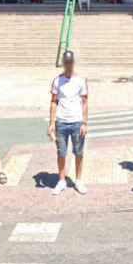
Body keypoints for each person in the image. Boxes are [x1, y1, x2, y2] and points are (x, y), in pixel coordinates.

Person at [48, 50, 89, 195]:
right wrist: (51, 123)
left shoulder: (80, 81)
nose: (69, 65)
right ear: (63, 63)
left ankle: (78, 180)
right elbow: (53, 102)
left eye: (71, 62)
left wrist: (84, 123)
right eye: (66, 62)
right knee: (61, 152)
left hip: (77, 121)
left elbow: (85, 102)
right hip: (61, 122)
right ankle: (61, 180)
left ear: (74, 63)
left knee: (79, 152)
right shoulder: (57, 81)